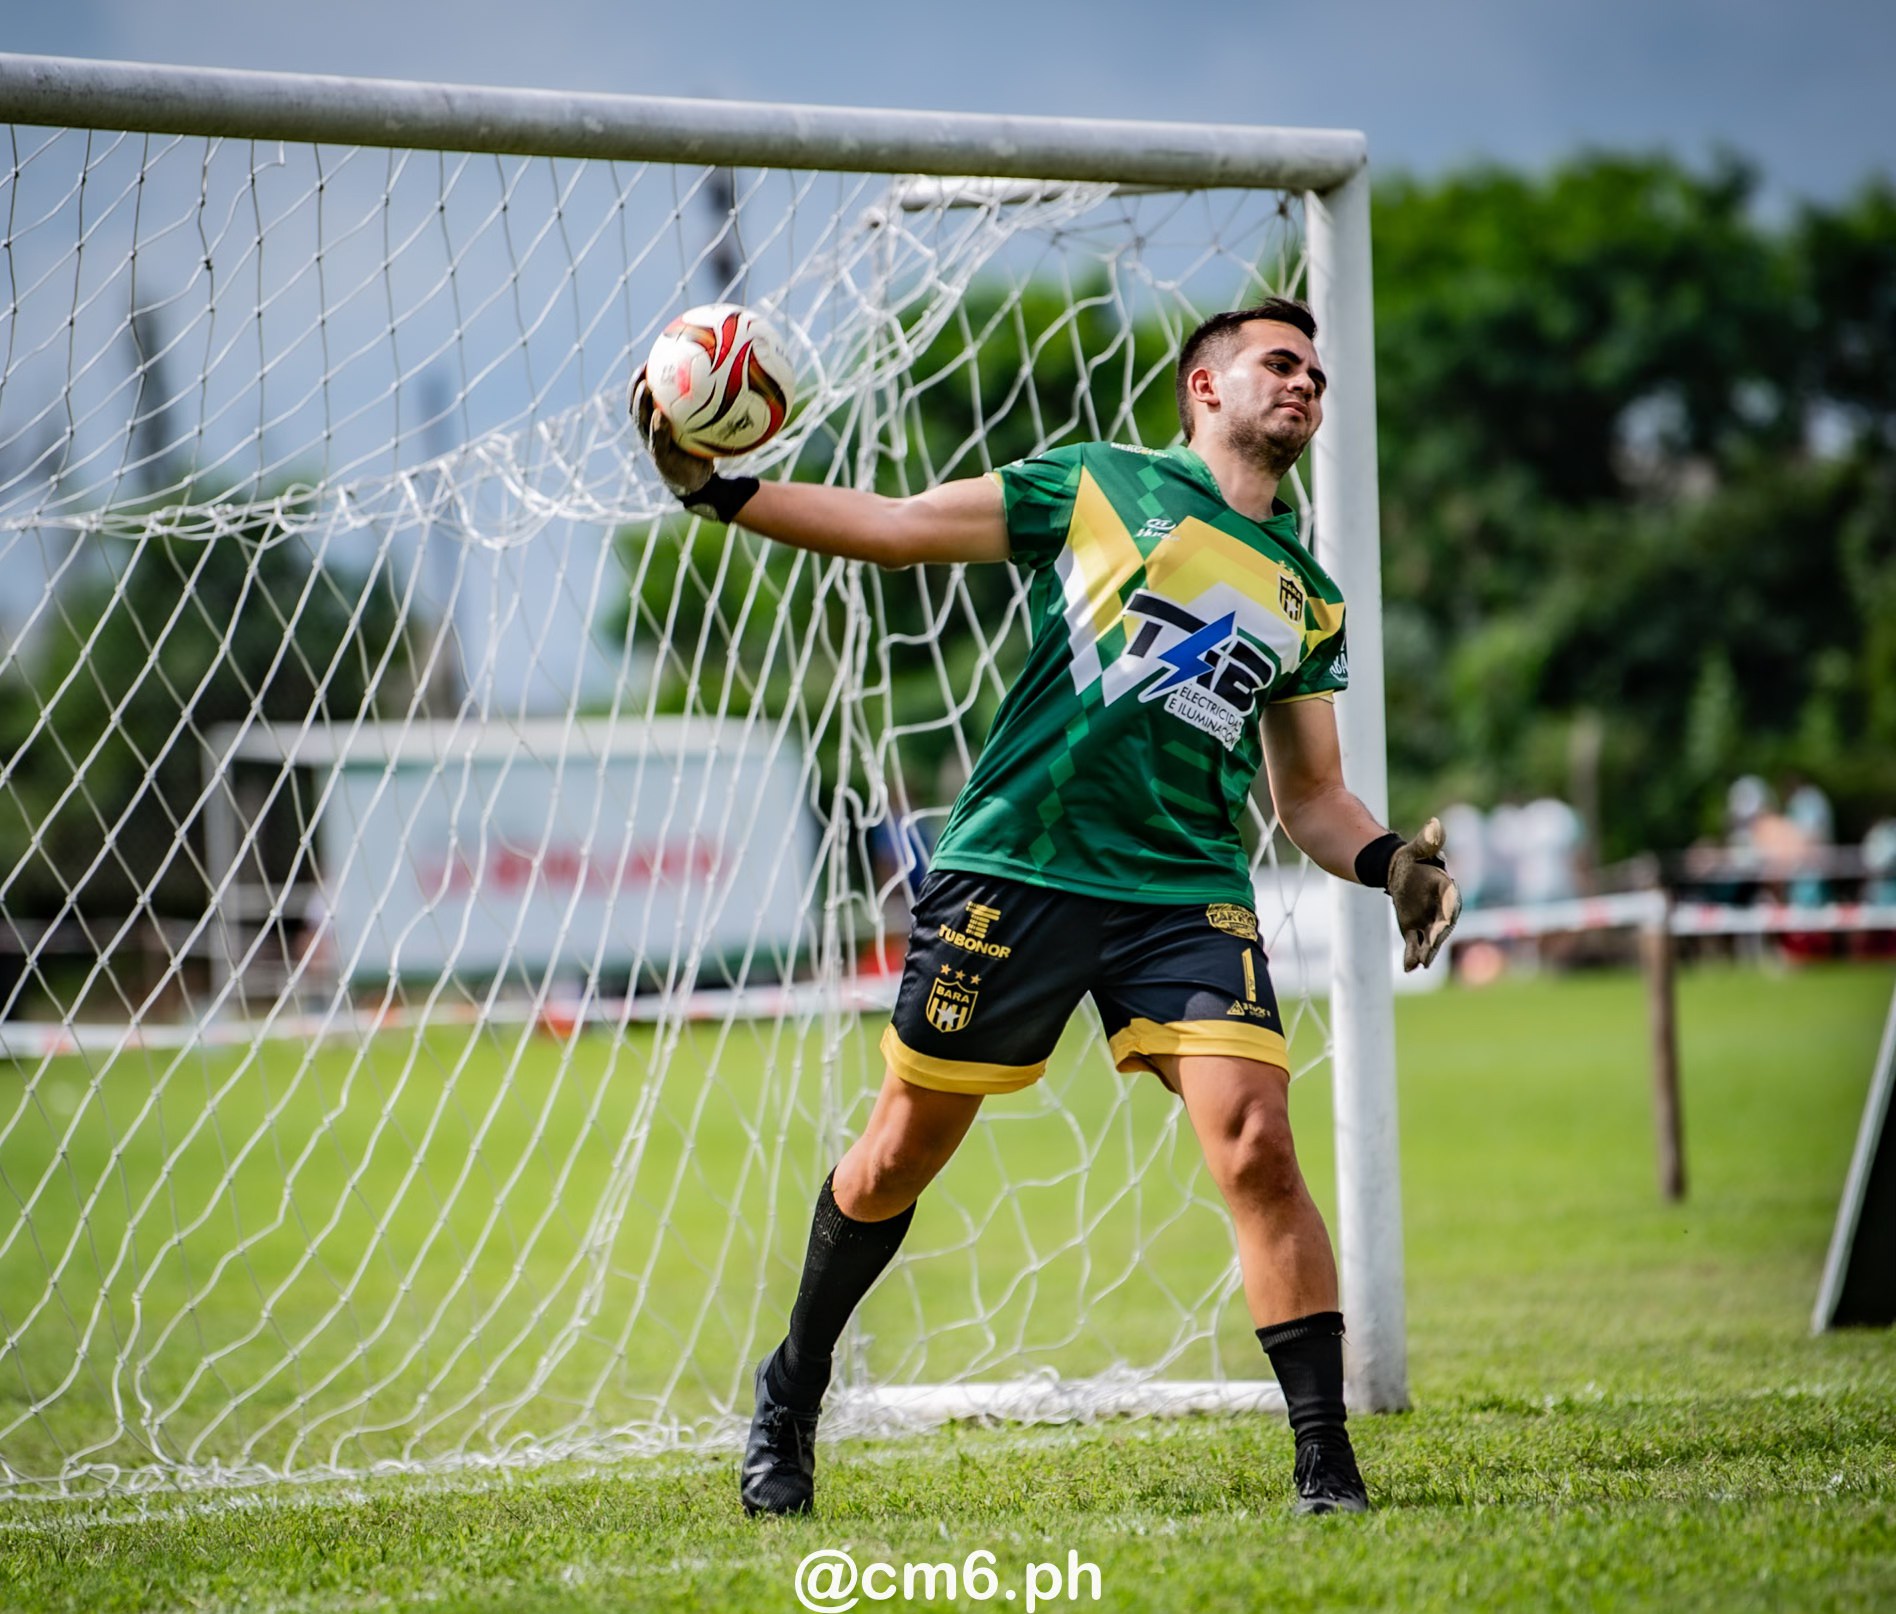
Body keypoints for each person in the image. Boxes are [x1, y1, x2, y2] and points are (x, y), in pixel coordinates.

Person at [630, 297, 1461, 1519]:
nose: (1306, 386)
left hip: (1182, 891)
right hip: (1015, 868)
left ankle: (1325, 1465)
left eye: (1318, 375)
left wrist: (1389, 860)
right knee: (897, 1154)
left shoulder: (1308, 595)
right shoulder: (1095, 486)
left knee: (1260, 1144)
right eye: (1279, 364)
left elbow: (1314, 795)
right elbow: (902, 527)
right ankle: (791, 1394)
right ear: (1205, 389)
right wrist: (719, 495)